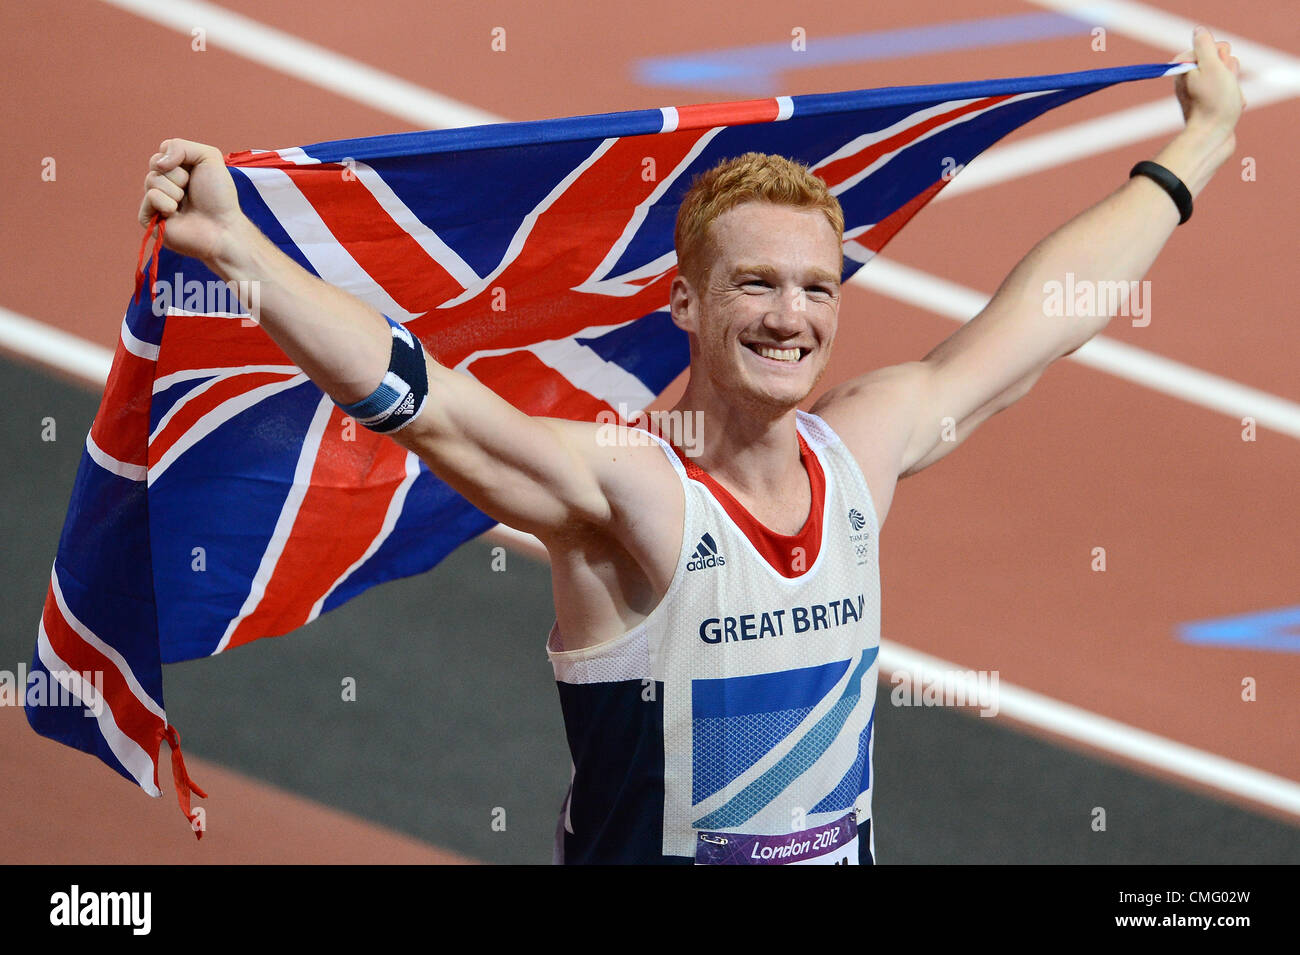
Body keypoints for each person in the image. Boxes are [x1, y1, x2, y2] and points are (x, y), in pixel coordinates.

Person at [138, 29, 1244, 864]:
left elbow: (1041, 319)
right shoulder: (629, 491)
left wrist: (1195, 146)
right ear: (685, 302)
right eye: (754, 284)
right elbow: (429, 402)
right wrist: (239, 251)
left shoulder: (860, 449)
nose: (788, 316)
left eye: (816, 287)